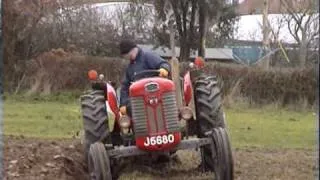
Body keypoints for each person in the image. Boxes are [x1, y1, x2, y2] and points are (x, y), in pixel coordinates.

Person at [118, 39, 171, 116]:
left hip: (156, 93)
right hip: (139, 99)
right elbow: (125, 87)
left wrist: (164, 69)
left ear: (133, 49)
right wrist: (123, 104)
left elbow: (163, 63)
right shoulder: (130, 68)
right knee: (130, 109)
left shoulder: (148, 56)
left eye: (128, 55)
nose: (128, 57)